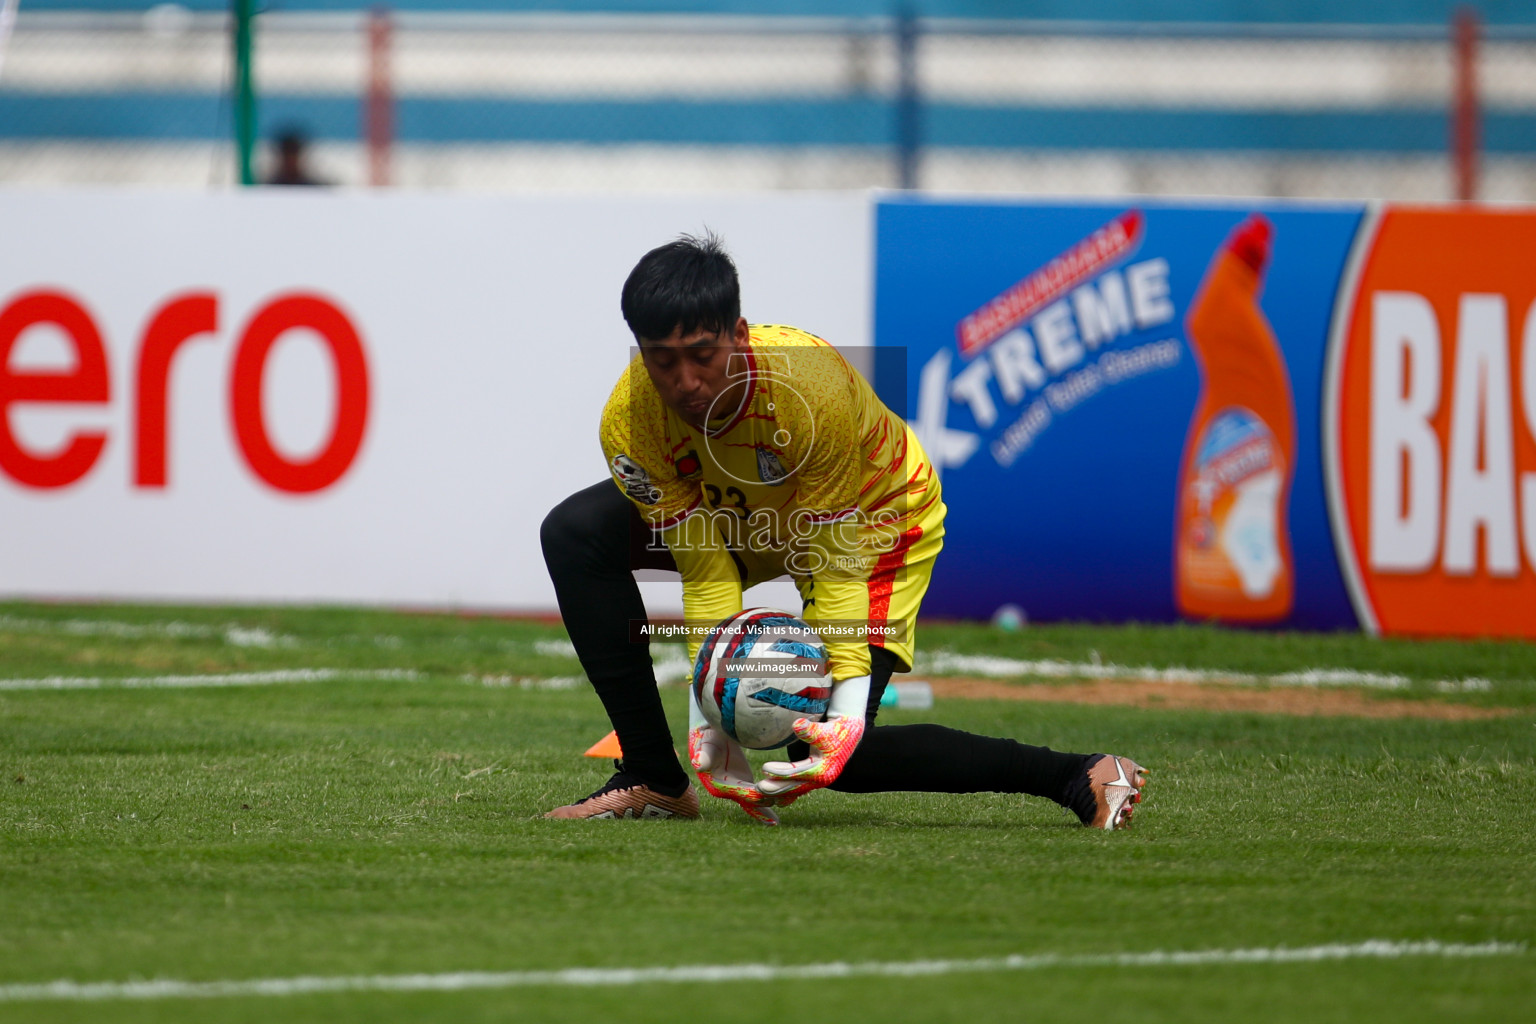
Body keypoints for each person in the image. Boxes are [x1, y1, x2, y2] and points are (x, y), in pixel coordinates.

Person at [540, 233, 1146, 827]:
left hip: (876, 517)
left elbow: (836, 564)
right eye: (661, 360)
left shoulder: (809, 390)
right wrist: (713, 723)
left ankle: (1073, 774)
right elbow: (706, 571)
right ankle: (653, 778)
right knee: (576, 531)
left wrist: (846, 718)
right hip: (745, 514)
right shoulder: (631, 419)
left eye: (703, 355)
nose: (685, 382)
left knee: (830, 752)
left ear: (740, 335)